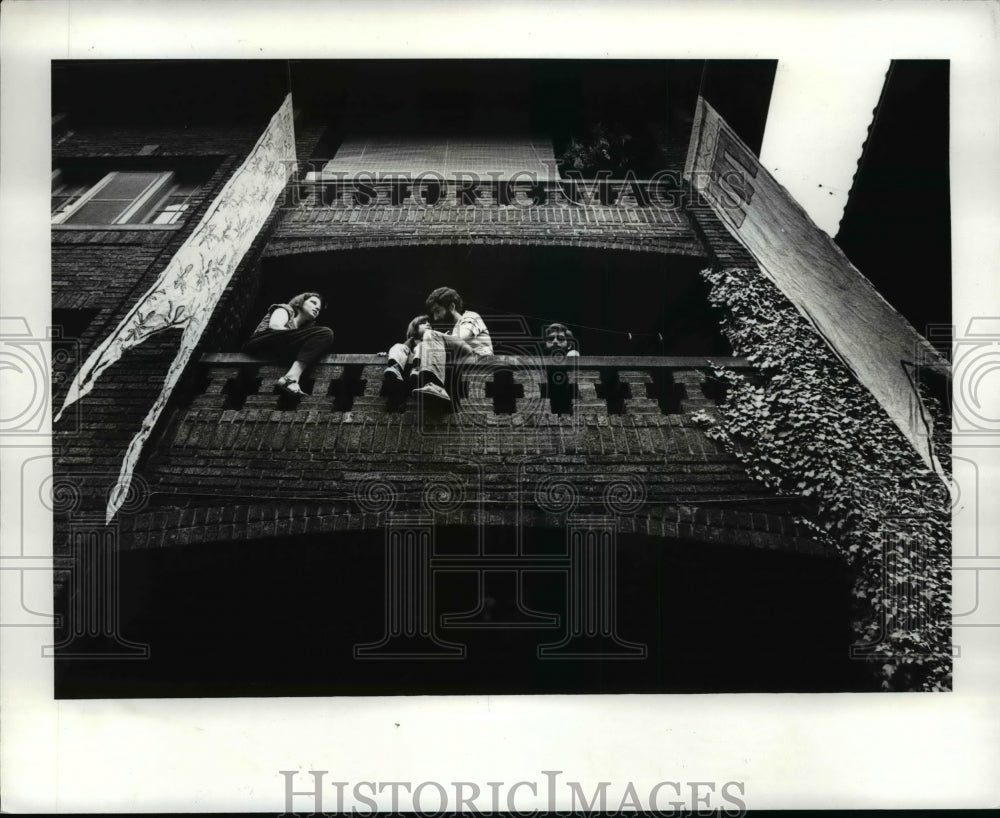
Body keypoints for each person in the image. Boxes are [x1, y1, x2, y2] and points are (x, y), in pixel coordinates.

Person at [410, 287, 493, 405]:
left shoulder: (470, 316)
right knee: (427, 341)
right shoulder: (452, 331)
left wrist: (436, 338)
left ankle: (435, 386)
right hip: (462, 362)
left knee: (430, 335)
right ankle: (427, 380)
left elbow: (462, 337)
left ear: (451, 307)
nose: (435, 317)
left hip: (479, 359)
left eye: (437, 311)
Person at [243, 292, 334, 397]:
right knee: (325, 333)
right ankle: (290, 378)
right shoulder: (286, 309)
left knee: (320, 339)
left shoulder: (302, 331)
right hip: (261, 340)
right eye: (313, 303)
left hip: (275, 349)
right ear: (300, 303)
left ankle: (291, 378)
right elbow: (275, 326)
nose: (317, 308)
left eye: (319, 308)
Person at [383, 314, 432, 383]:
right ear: (415, 328)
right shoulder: (408, 343)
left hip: (423, 369)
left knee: (422, 345)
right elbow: (400, 351)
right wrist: (386, 355)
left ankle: (417, 369)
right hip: (406, 372)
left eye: (428, 322)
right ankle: (395, 368)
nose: (428, 324)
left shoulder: (432, 342)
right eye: (423, 323)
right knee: (397, 346)